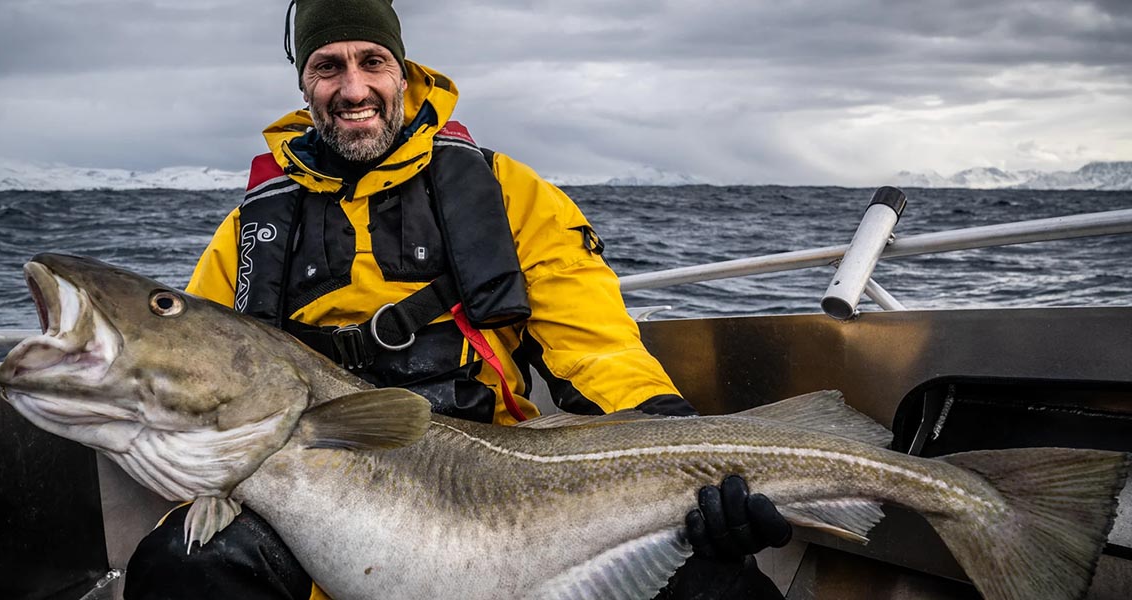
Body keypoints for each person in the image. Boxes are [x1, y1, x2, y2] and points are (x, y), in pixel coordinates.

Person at [125, 1, 791, 598]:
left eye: (372, 62)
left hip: (506, 496)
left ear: (403, 70)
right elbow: (194, 378)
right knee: (183, 567)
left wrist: (684, 450)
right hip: (308, 506)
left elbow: (597, 353)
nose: (353, 88)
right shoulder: (252, 229)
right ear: (304, 83)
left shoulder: (507, 193)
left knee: (722, 588)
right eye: (327, 66)